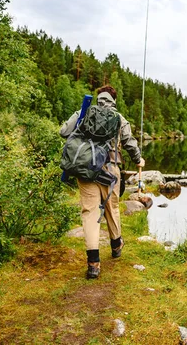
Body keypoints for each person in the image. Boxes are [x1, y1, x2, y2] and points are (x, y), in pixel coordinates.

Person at [60, 85, 145, 279]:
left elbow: (64, 132)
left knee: (89, 212)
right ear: (114, 99)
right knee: (112, 208)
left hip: (85, 169)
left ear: (99, 98)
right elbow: (129, 142)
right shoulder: (119, 118)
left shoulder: (84, 112)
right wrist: (138, 159)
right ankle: (116, 245)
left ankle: (93, 264)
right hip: (110, 169)